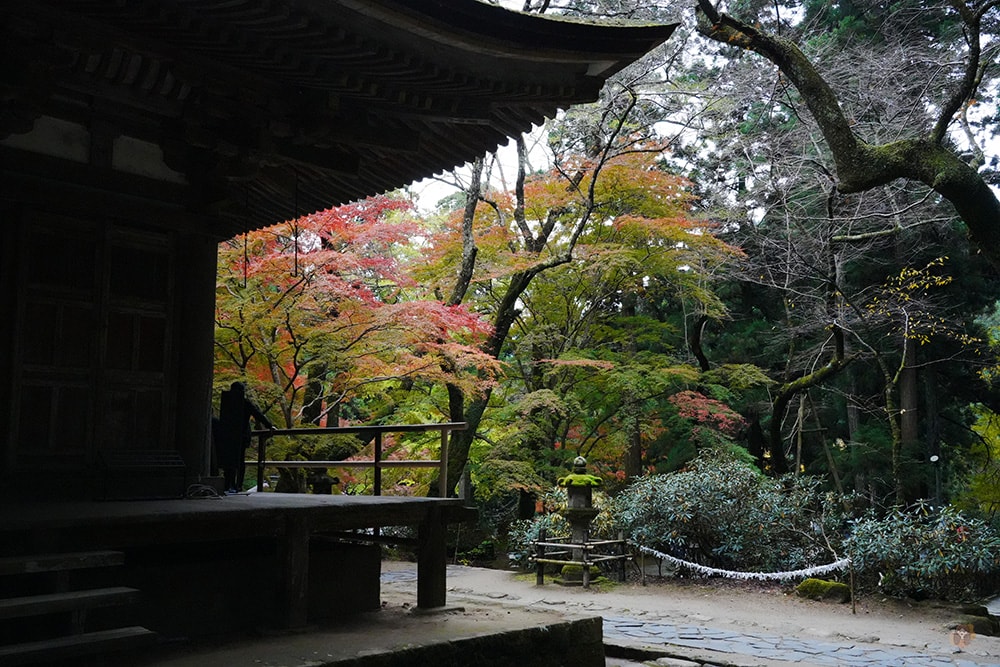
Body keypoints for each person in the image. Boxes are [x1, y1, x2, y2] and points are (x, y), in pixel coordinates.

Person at [216, 382, 273, 493]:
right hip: (242, 435)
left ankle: (228, 484)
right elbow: (258, 414)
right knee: (239, 461)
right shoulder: (244, 402)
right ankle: (237, 486)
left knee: (229, 460)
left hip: (228, 435)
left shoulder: (227, 402)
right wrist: (269, 425)